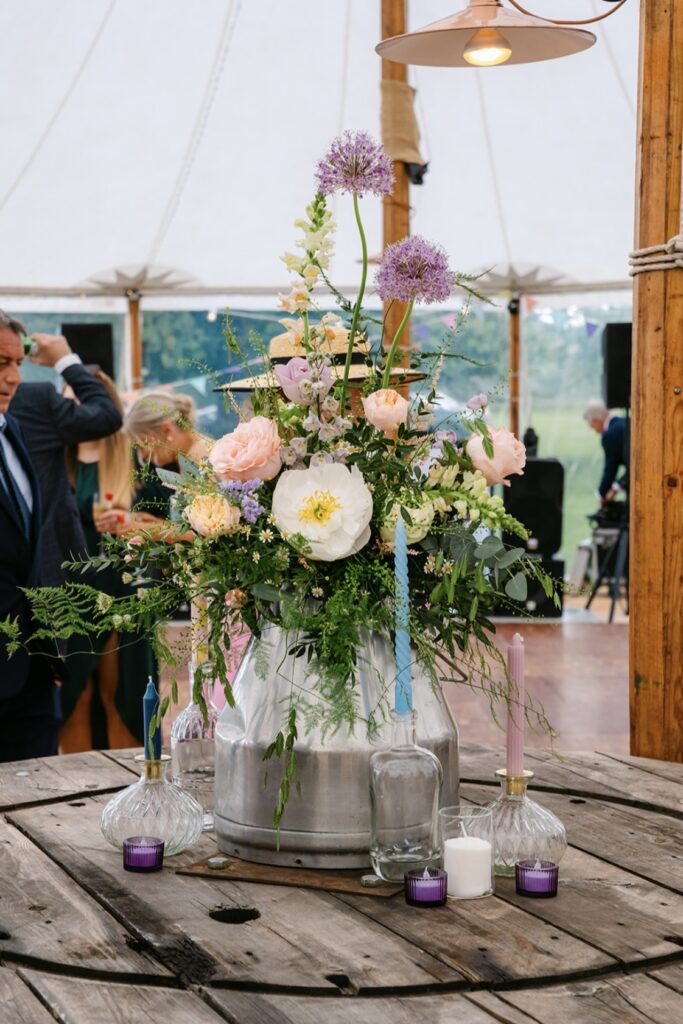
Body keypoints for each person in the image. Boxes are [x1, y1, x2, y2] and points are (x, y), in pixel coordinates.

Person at [59, 368, 157, 752]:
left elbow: (166, 521)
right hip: (68, 592)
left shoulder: (131, 457)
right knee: (74, 695)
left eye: (79, 400)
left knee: (118, 696)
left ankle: (125, 791)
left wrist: (130, 523)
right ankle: (75, 794)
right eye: (66, 401)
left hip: (122, 589)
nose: (73, 409)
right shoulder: (55, 455)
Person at [10, 334, 122, 586]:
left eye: (16, 363)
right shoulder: (34, 402)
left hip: (51, 575)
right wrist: (65, 360)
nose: (14, 377)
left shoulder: (31, 403)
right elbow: (106, 415)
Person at [0, 312, 61, 759]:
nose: (15, 377)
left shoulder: (13, 430)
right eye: (1, 363)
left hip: (31, 673)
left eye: (17, 363)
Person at [96, 390, 210, 535]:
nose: (142, 456)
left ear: (167, 430)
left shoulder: (201, 458)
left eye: (143, 445)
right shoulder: (187, 458)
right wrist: (158, 523)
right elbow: (195, 527)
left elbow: (208, 537)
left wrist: (150, 530)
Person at [583, 399, 628, 505]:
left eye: (593, 426)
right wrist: (616, 486)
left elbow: (610, 468)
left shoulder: (610, 435)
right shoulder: (622, 422)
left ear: (597, 420)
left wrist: (602, 493)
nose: (593, 429)